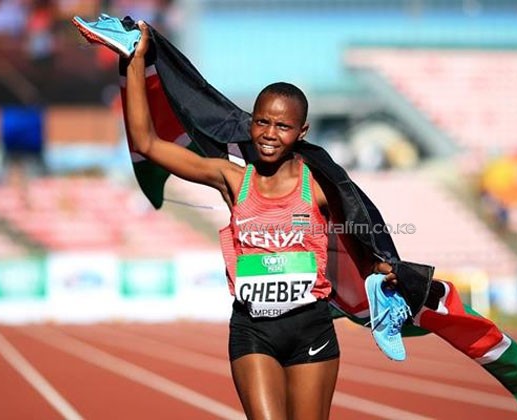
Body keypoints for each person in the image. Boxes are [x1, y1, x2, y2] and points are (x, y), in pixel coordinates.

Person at [126, 21, 397, 419]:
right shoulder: (233, 179)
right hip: (253, 330)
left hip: (311, 329)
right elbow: (147, 143)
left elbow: (360, 225)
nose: (269, 134)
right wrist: (135, 61)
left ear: (301, 131)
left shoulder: (319, 186)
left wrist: (382, 262)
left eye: (283, 126)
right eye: (262, 122)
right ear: (250, 121)